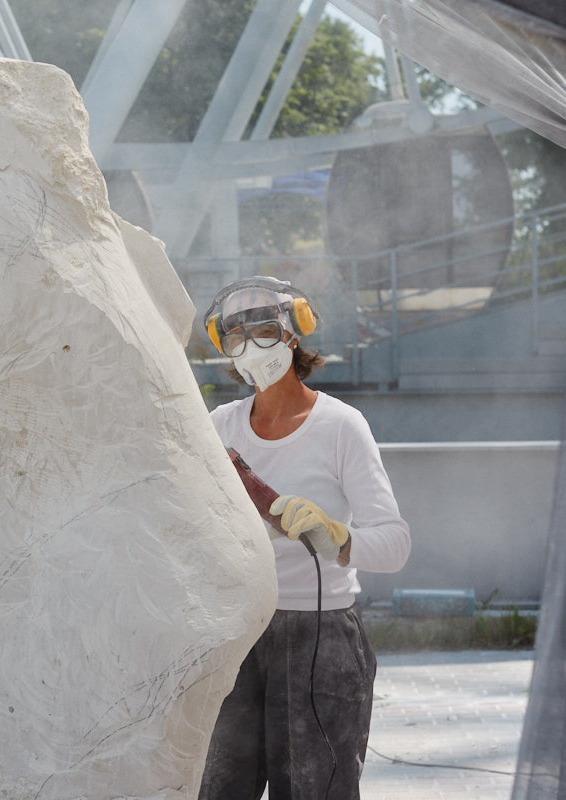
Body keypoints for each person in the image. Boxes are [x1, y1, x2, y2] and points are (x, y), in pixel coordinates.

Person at [198, 276, 410, 799]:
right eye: (237, 336)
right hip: (238, 634)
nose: (251, 346)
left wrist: (339, 538)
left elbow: (395, 544)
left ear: (295, 332)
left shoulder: (340, 426)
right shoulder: (217, 428)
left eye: (264, 330)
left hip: (321, 639)